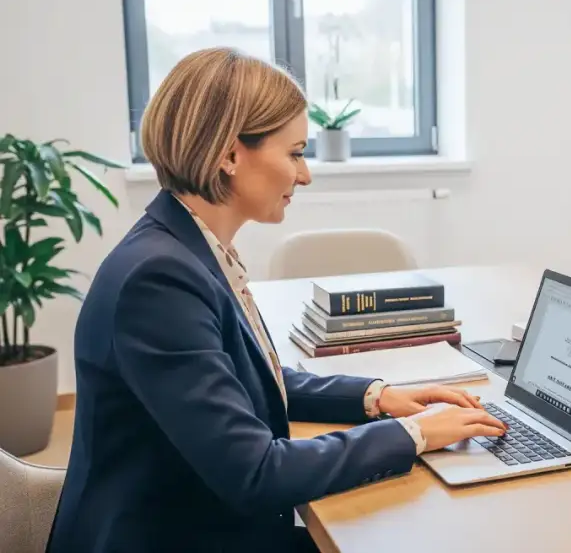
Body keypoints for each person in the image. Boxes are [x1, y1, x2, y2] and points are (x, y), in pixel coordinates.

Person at [46, 48, 508, 553]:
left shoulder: (182, 248)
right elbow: (257, 473)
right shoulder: (159, 281)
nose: (305, 174)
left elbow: (240, 376)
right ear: (228, 154)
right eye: (294, 152)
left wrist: (376, 396)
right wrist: (413, 433)